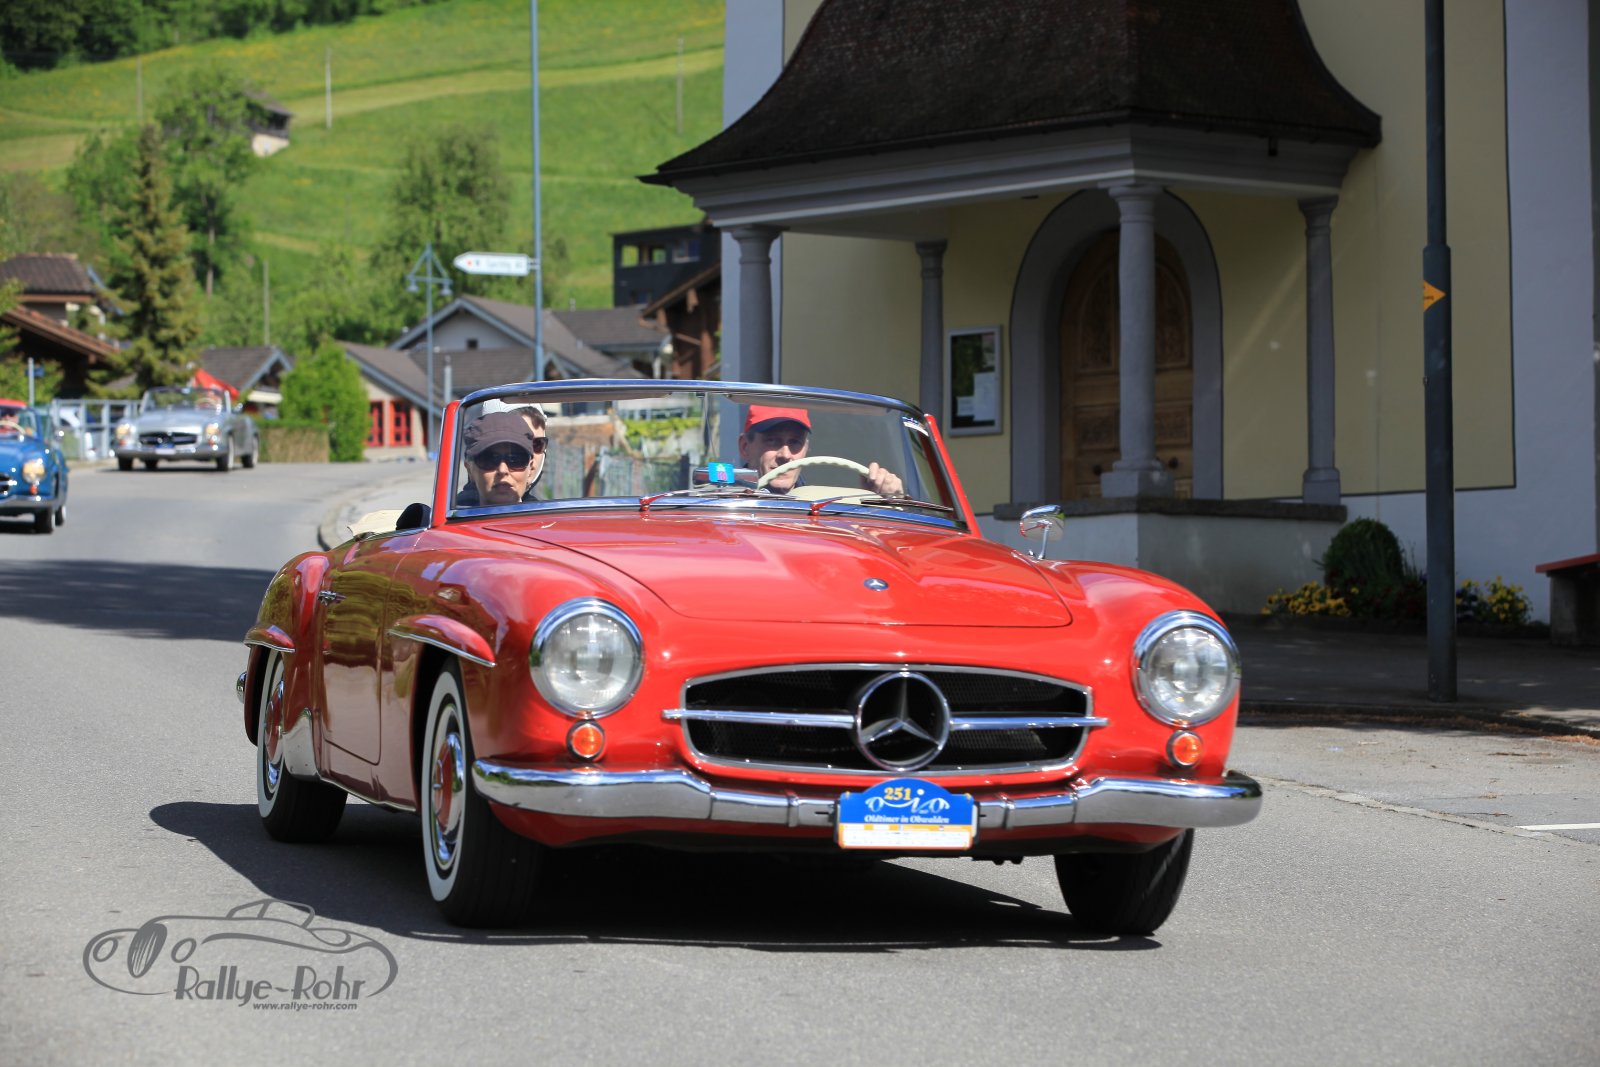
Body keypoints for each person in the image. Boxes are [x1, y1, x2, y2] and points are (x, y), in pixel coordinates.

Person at [737, 405, 903, 497]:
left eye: (795, 442)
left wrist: (882, 500)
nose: (785, 455)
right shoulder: (726, 504)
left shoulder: (820, 507)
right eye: (772, 441)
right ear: (745, 447)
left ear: (805, 449)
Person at [456, 409, 550, 506]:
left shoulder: (546, 515)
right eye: (489, 459)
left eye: (515, 459)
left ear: (530, 468)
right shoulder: (450, 513)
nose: (502, 470)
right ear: (470, 469)